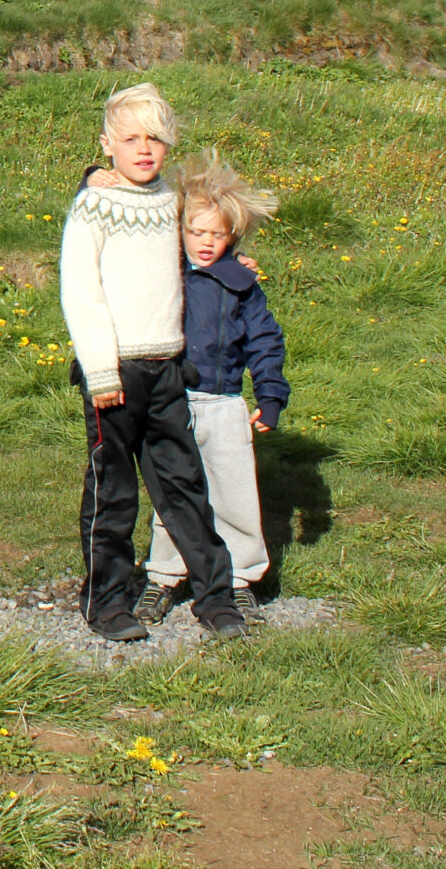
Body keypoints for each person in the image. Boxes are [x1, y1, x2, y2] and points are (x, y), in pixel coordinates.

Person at [59, 83, 245, 642]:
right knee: (113, 490)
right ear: (108, 145)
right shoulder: (94, 204)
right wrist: (99, 371)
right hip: (113, 373)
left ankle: (216, 595)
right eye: (131, 139)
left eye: (156, 139)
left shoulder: (169, 200)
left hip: (167, 368)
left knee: (184, 484)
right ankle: (107, 601)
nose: (144, 149)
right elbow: (80, 289)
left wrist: (234, 262)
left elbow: (201, 240)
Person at [135, 152, 286, 625]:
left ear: (233, 236)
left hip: (224, 404)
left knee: (234, 493)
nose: (206, 242)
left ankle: (239, 582)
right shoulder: (165, 273)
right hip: (171, 402)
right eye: (196, 232)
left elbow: (265, 340)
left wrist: (271, 395)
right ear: (179, 231)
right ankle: (163, 577)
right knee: (173, 494)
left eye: (217, 234)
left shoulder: (241, 283)